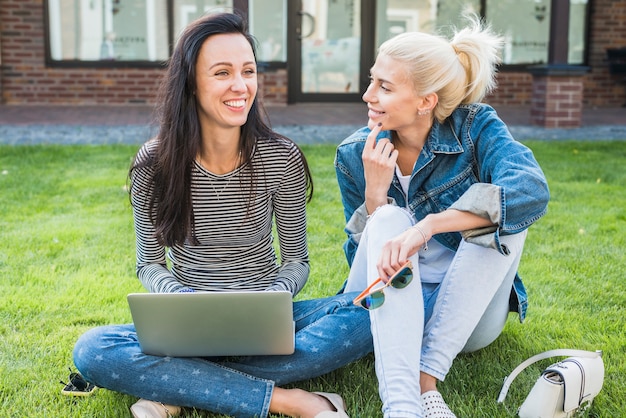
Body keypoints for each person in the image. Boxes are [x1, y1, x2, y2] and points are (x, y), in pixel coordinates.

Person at [72, 12, 372, 418]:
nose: (240, 86)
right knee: (93, 350)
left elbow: (297, 261)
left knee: (367, 312)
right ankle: (292, 401)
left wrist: (269, 299)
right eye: (222, 72)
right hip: (188, 325)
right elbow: (150, 263)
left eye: (248, 71)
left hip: (266, 318)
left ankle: (176, 386)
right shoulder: (154, 164)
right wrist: (185, 300)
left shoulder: (280, 157)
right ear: (191, 84)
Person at [334, 16, 550, 418]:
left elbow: (530, 190)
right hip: (391, 302)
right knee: (386, 220)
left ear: (425, 101)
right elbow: (359, 261)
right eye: (371, 80)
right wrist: (375, 194)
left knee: (502, 219)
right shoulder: (355, 154)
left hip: (462, 315)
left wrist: (429, 226)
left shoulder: (476, 128)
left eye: (384, 86)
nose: (367, 95)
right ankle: (402, 408)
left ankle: (425, 378)